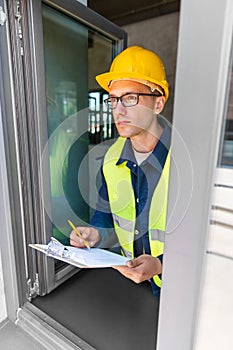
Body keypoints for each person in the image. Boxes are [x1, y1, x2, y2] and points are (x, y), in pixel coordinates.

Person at [70, 45, 171, 298]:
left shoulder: (189, 160)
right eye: (113, 99)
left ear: (158, 103)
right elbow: (106, 218)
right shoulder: (112, 157)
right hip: (130, 283)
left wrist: (160, 264)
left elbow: (210, 245)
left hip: (176, 292)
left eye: (130, 98)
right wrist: (93, 235)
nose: (118, 109)